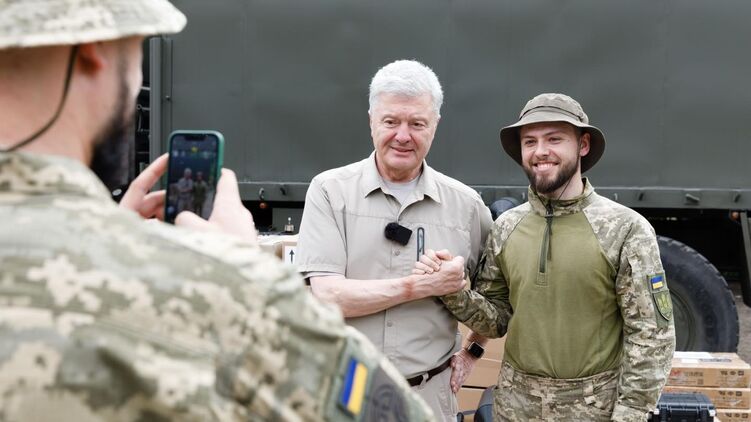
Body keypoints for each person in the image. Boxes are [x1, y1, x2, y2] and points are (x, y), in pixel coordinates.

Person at [0, 1, 434, 420]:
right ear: (95, 51)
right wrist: (242, 276)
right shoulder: (219, 289)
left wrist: (107, 234)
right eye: (135, 55)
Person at [422, 93, 676, 421]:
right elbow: (495, 321)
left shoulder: (625, 229)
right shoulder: (507, 227)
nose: (540, 151)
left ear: (583, 145)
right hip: (514, 407)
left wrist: (631, 414)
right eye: (530, 142)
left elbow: (651, 336)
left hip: (593, 410)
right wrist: (453, 289)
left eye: (554, 139)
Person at [296, 59, 493, 420]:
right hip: (350, 390)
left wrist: (473, 352)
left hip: (429, 396)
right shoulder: (330, 192)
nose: (403, 136)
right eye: (391, 121)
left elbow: (496, 299)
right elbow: (328, 296)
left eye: (417, 124)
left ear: (435, 125)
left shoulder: (466, 206)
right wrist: (422, 286)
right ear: (372, 120)